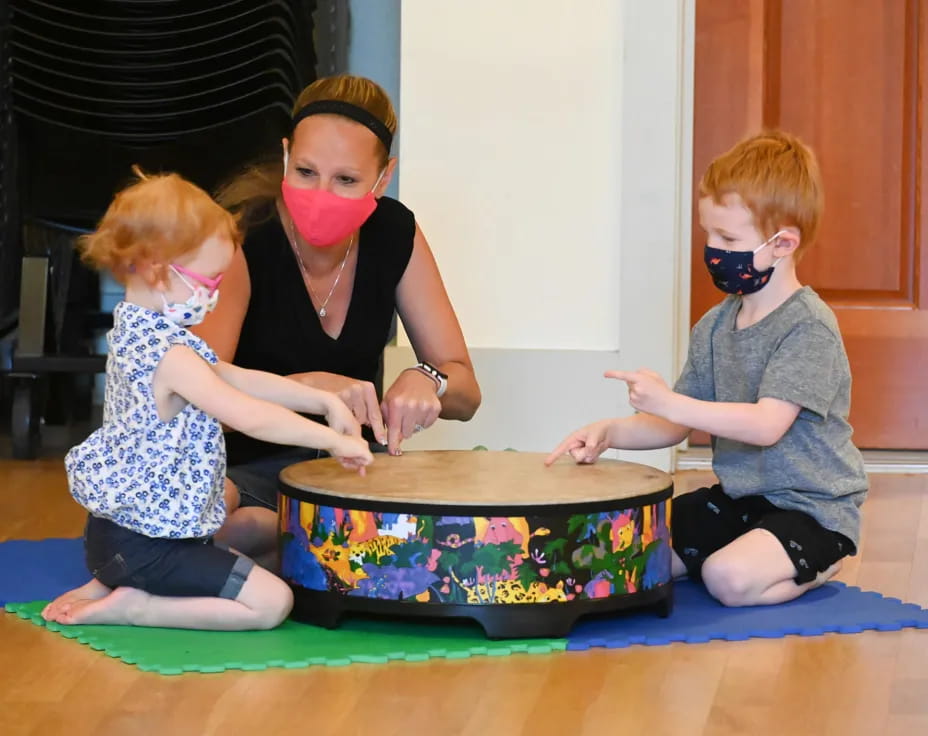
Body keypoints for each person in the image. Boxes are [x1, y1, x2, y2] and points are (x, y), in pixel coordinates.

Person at [546, 130, 868, 607]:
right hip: (738, 501)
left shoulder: (808, 327)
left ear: (783, 244)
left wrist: (671, 400)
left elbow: (766, 425)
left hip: (811, 509)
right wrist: (611, 431)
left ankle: (822, 563)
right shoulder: (716, 324)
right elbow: (675, 423)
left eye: (729, 238)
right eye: (709, 234)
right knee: (629, 554)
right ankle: (745, 550)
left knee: (726, 579)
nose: (713, 249)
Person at [41, 169, 372, 630]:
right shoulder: (170, 354)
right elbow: (247, 414)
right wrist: (333, 441)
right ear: (159, 267)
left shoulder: (142, 331)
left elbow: (238, 377)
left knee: (262, 537)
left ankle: (110, 577)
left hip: (121, 534)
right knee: (272, 602)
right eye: (208, 281)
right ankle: (137, 607)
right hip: (151, 546)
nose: (213, 296)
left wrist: (325, 402)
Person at [193, 74, 481, 526]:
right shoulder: (240, 237)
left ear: (383, 178)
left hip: (354, 471)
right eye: (306, 172)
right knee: (231, 517)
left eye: (346, 179)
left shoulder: (394, 232)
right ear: (286, 155)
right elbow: (195, 400)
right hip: (244, 472)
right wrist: (305, 389)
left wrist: (428, 379)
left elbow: (467, 393)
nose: (320, 195)